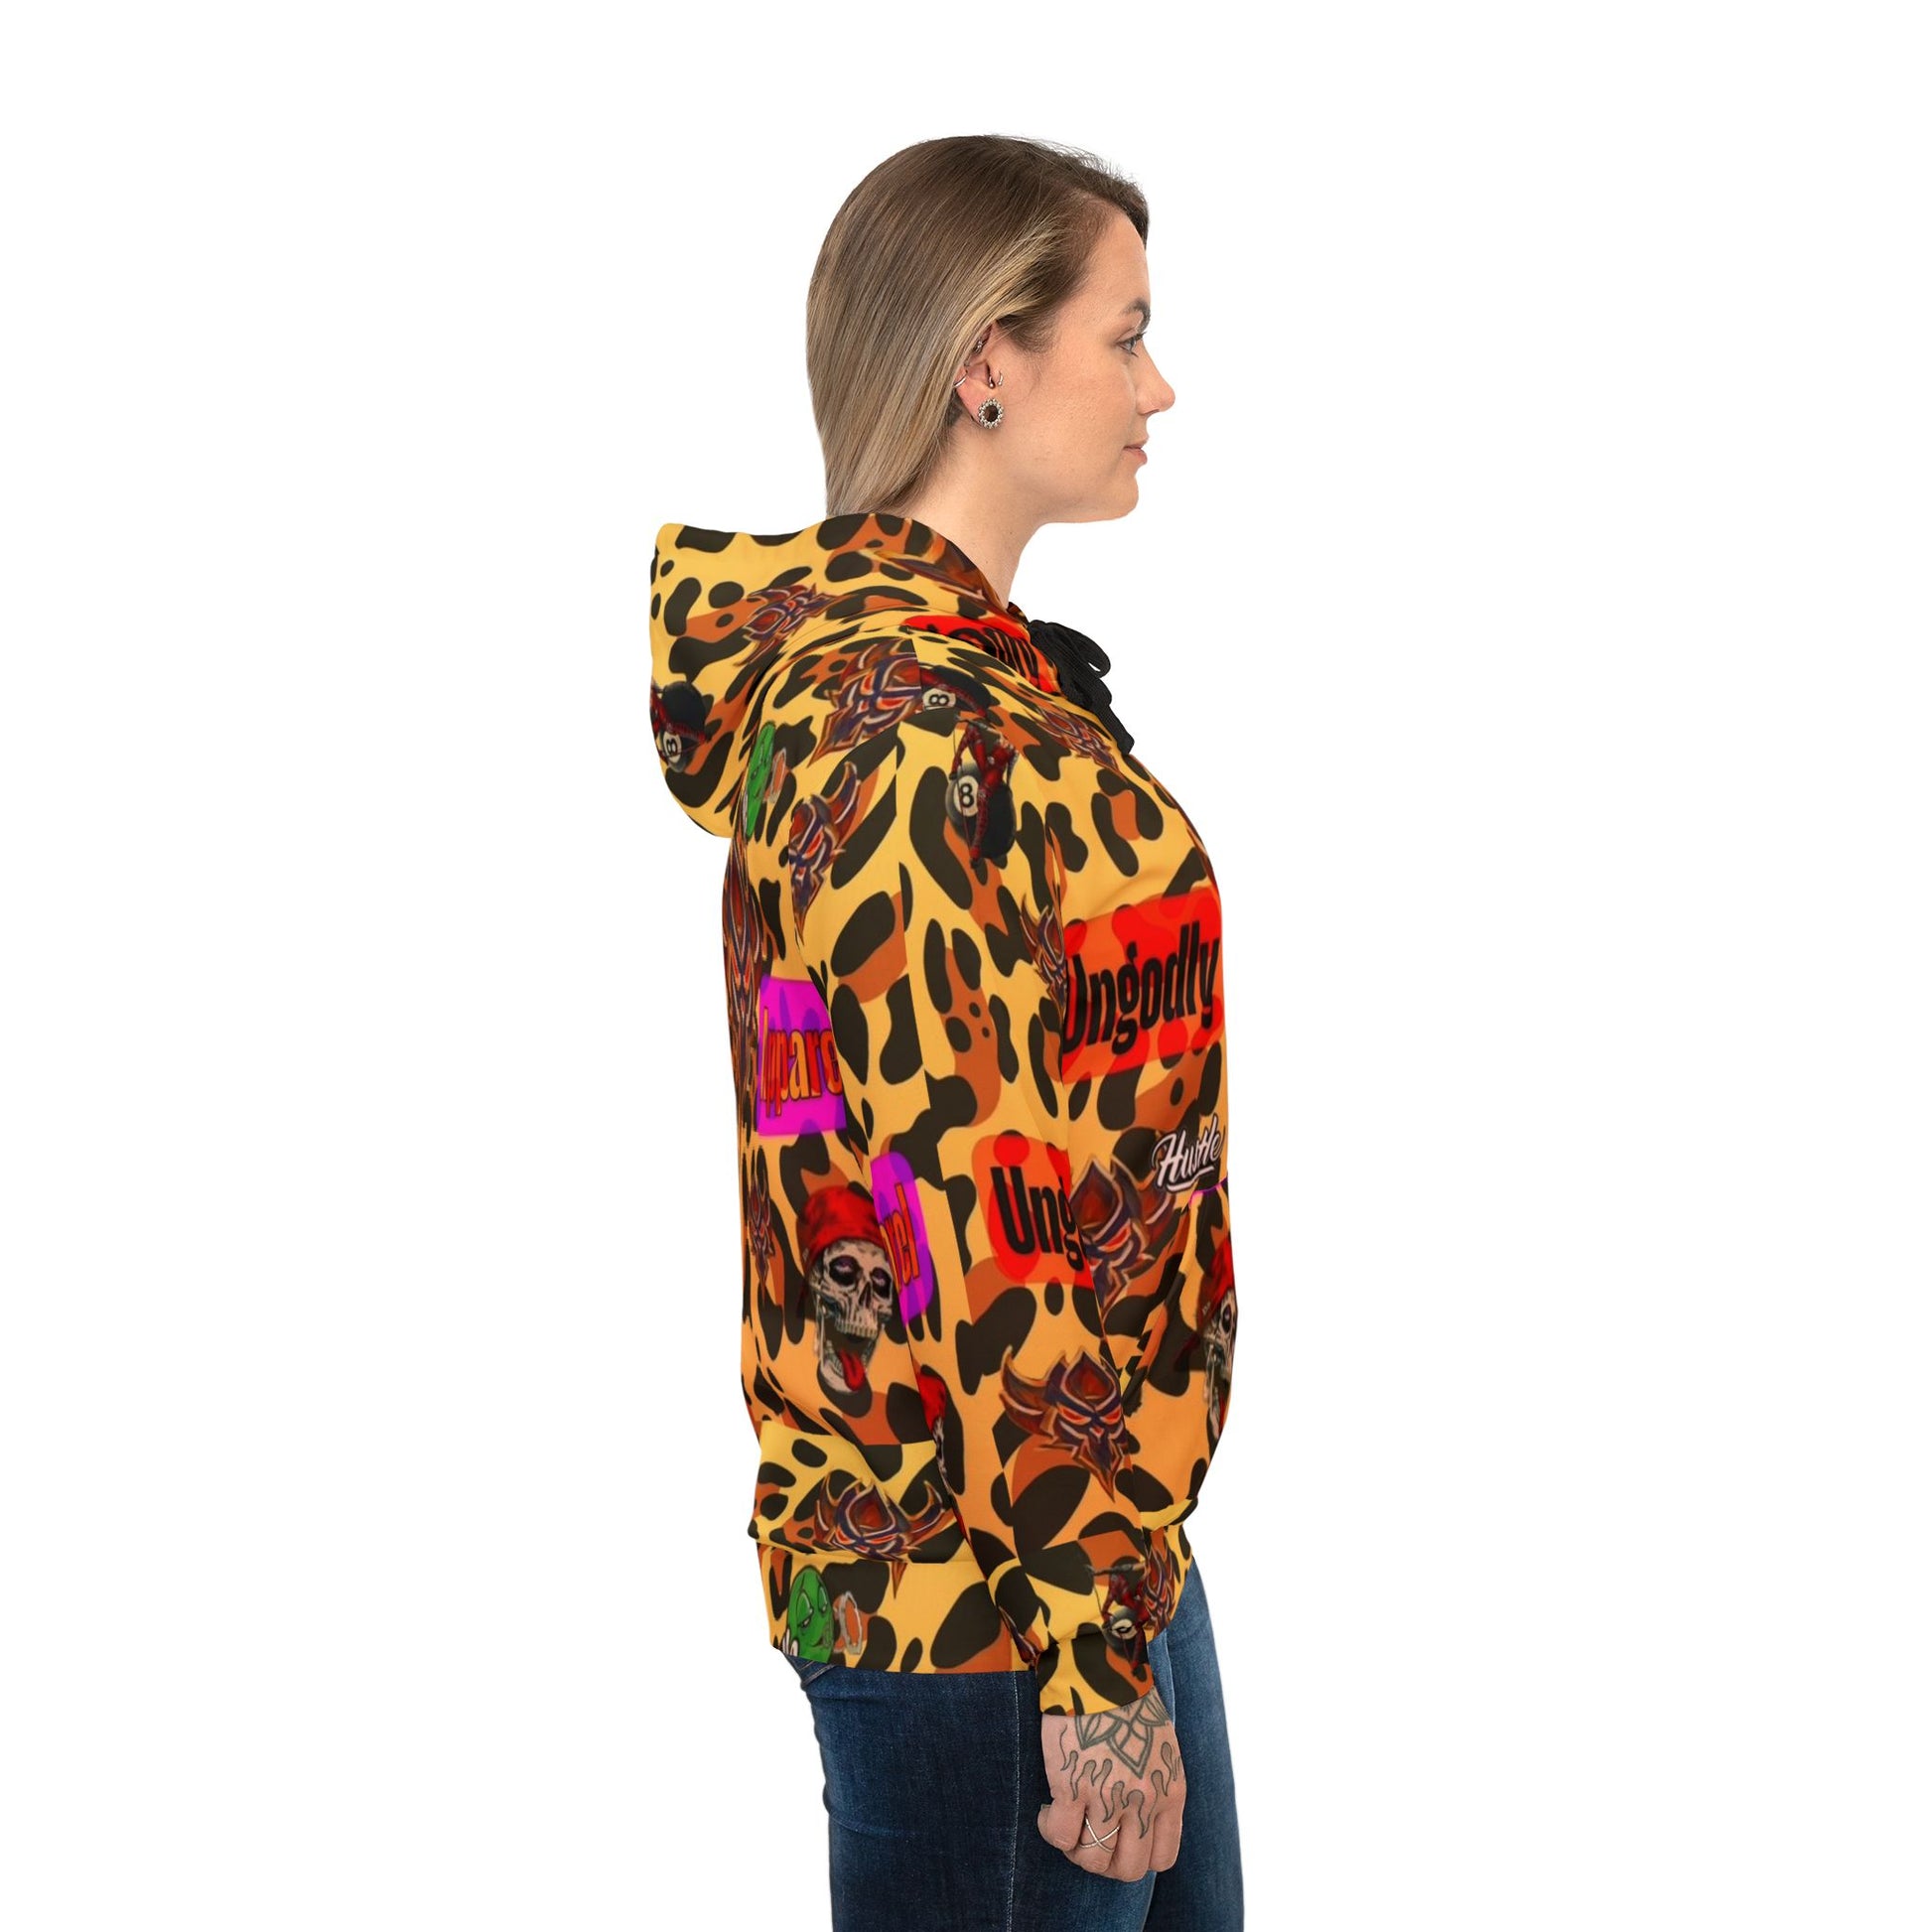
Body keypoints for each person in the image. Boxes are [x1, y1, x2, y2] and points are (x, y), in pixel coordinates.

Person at [647, 135, 1245, 1930]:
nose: (1157, 387)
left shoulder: (975, 688)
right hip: (983, 1601)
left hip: (1086, 1547)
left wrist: (1116, 1588)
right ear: (987, 361)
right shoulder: (905, 731)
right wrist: (1092, 1653)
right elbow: (959, 1206)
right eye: (1123, 333)